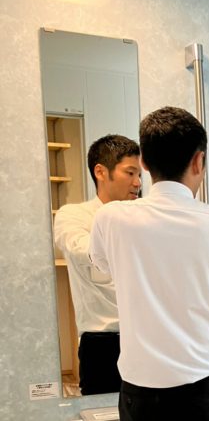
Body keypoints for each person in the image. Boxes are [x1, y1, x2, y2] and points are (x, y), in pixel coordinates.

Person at [89, 106, 209, 421]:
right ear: (198, 161)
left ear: (144, 162)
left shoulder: (110, 218)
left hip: (140, 396)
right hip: (205, 393)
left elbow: (102, 265)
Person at [53, 134, 141, 395]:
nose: (138, 183)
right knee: (100, 409)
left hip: (148, 338)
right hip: (102, 344)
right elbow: (81, 248)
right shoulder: (73, 215)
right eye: (130, 173)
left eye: (140, 175)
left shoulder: (145, 217)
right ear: (101, 172)